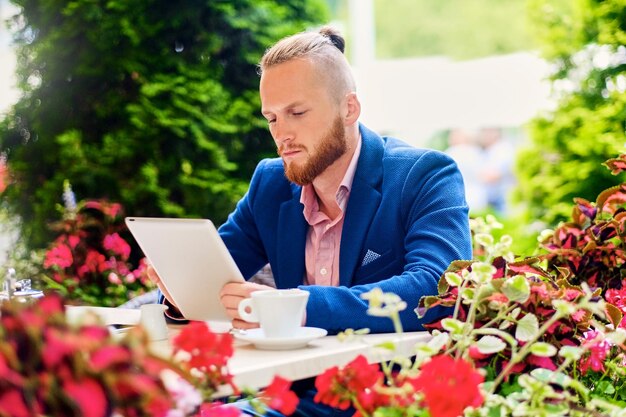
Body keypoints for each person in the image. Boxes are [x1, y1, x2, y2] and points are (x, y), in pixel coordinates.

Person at [149, 26, 472, 416]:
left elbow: (437, 289)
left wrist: (295, 307)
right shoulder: (270, 184)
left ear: (349, 108)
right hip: (288, 397)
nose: (281, 134)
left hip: (386, 400)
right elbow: (217, 270)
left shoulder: (424, 175)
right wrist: (181, 293)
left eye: (297, 113)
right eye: (271, 118)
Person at [444, 128, 488, 213]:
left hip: (459, 196)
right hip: (478, 197)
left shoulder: (451, 152)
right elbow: (484, 175)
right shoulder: (476, 152)